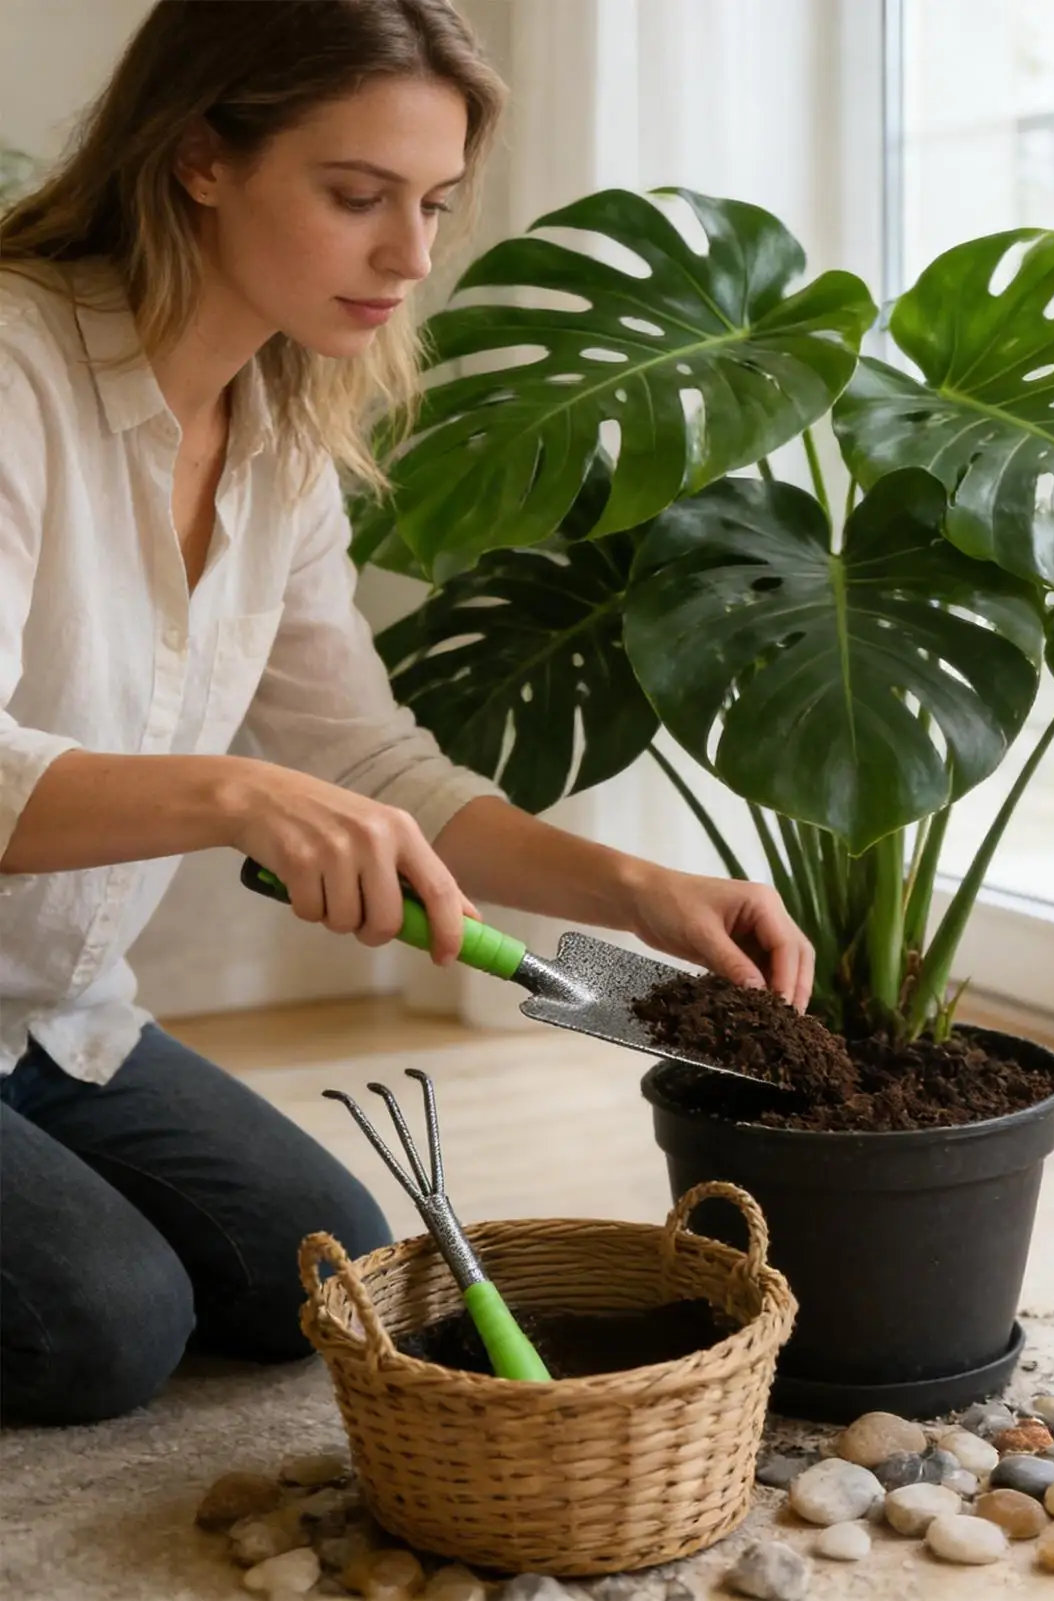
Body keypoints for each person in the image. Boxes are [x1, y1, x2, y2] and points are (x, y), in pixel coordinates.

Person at [0, 0, 813, 1427]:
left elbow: (366, 757)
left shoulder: (278, 440)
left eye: (432, 203)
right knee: (104, 1329)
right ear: (200, 157)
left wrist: (639, 891)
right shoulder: (16, 370)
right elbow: (257, 784)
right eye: (356, 197)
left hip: (58, 1020)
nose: (413, 256)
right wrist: (234, 795)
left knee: (312, 1269)